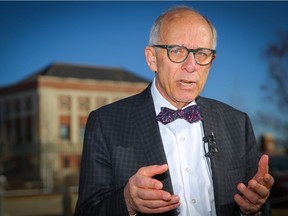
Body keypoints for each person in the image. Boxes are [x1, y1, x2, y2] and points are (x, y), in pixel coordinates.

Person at [75, 5, 274, 216]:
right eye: (177, 51)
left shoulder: (237, 122)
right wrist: (127, 202)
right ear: (152, 59)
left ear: (211, 61)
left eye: (202, 53)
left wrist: (253, 210)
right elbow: (88, 210)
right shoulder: (105, 123)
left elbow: (258, 205)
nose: (191, 65)